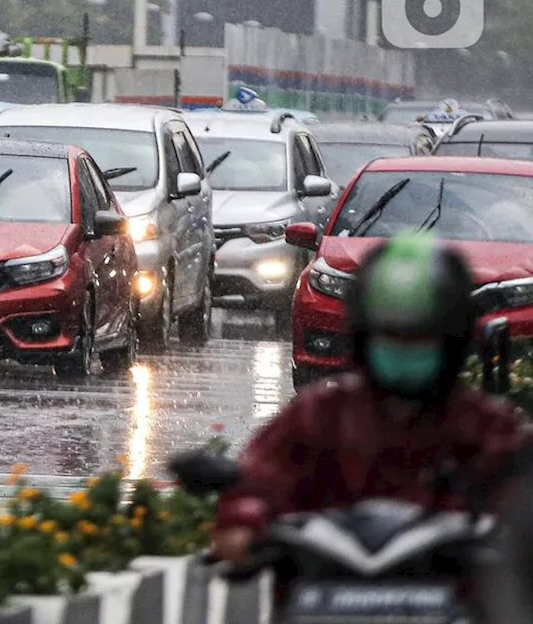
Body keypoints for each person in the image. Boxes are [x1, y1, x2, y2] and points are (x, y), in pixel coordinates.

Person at [212, 232, 531, 566]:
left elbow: (520, 496)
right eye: (391, 333)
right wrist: (243, 524)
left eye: (421, 334)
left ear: (452, 340)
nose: (405, 346)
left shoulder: (486, 427)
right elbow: (260, 480)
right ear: (366, 334)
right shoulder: (318, 416)